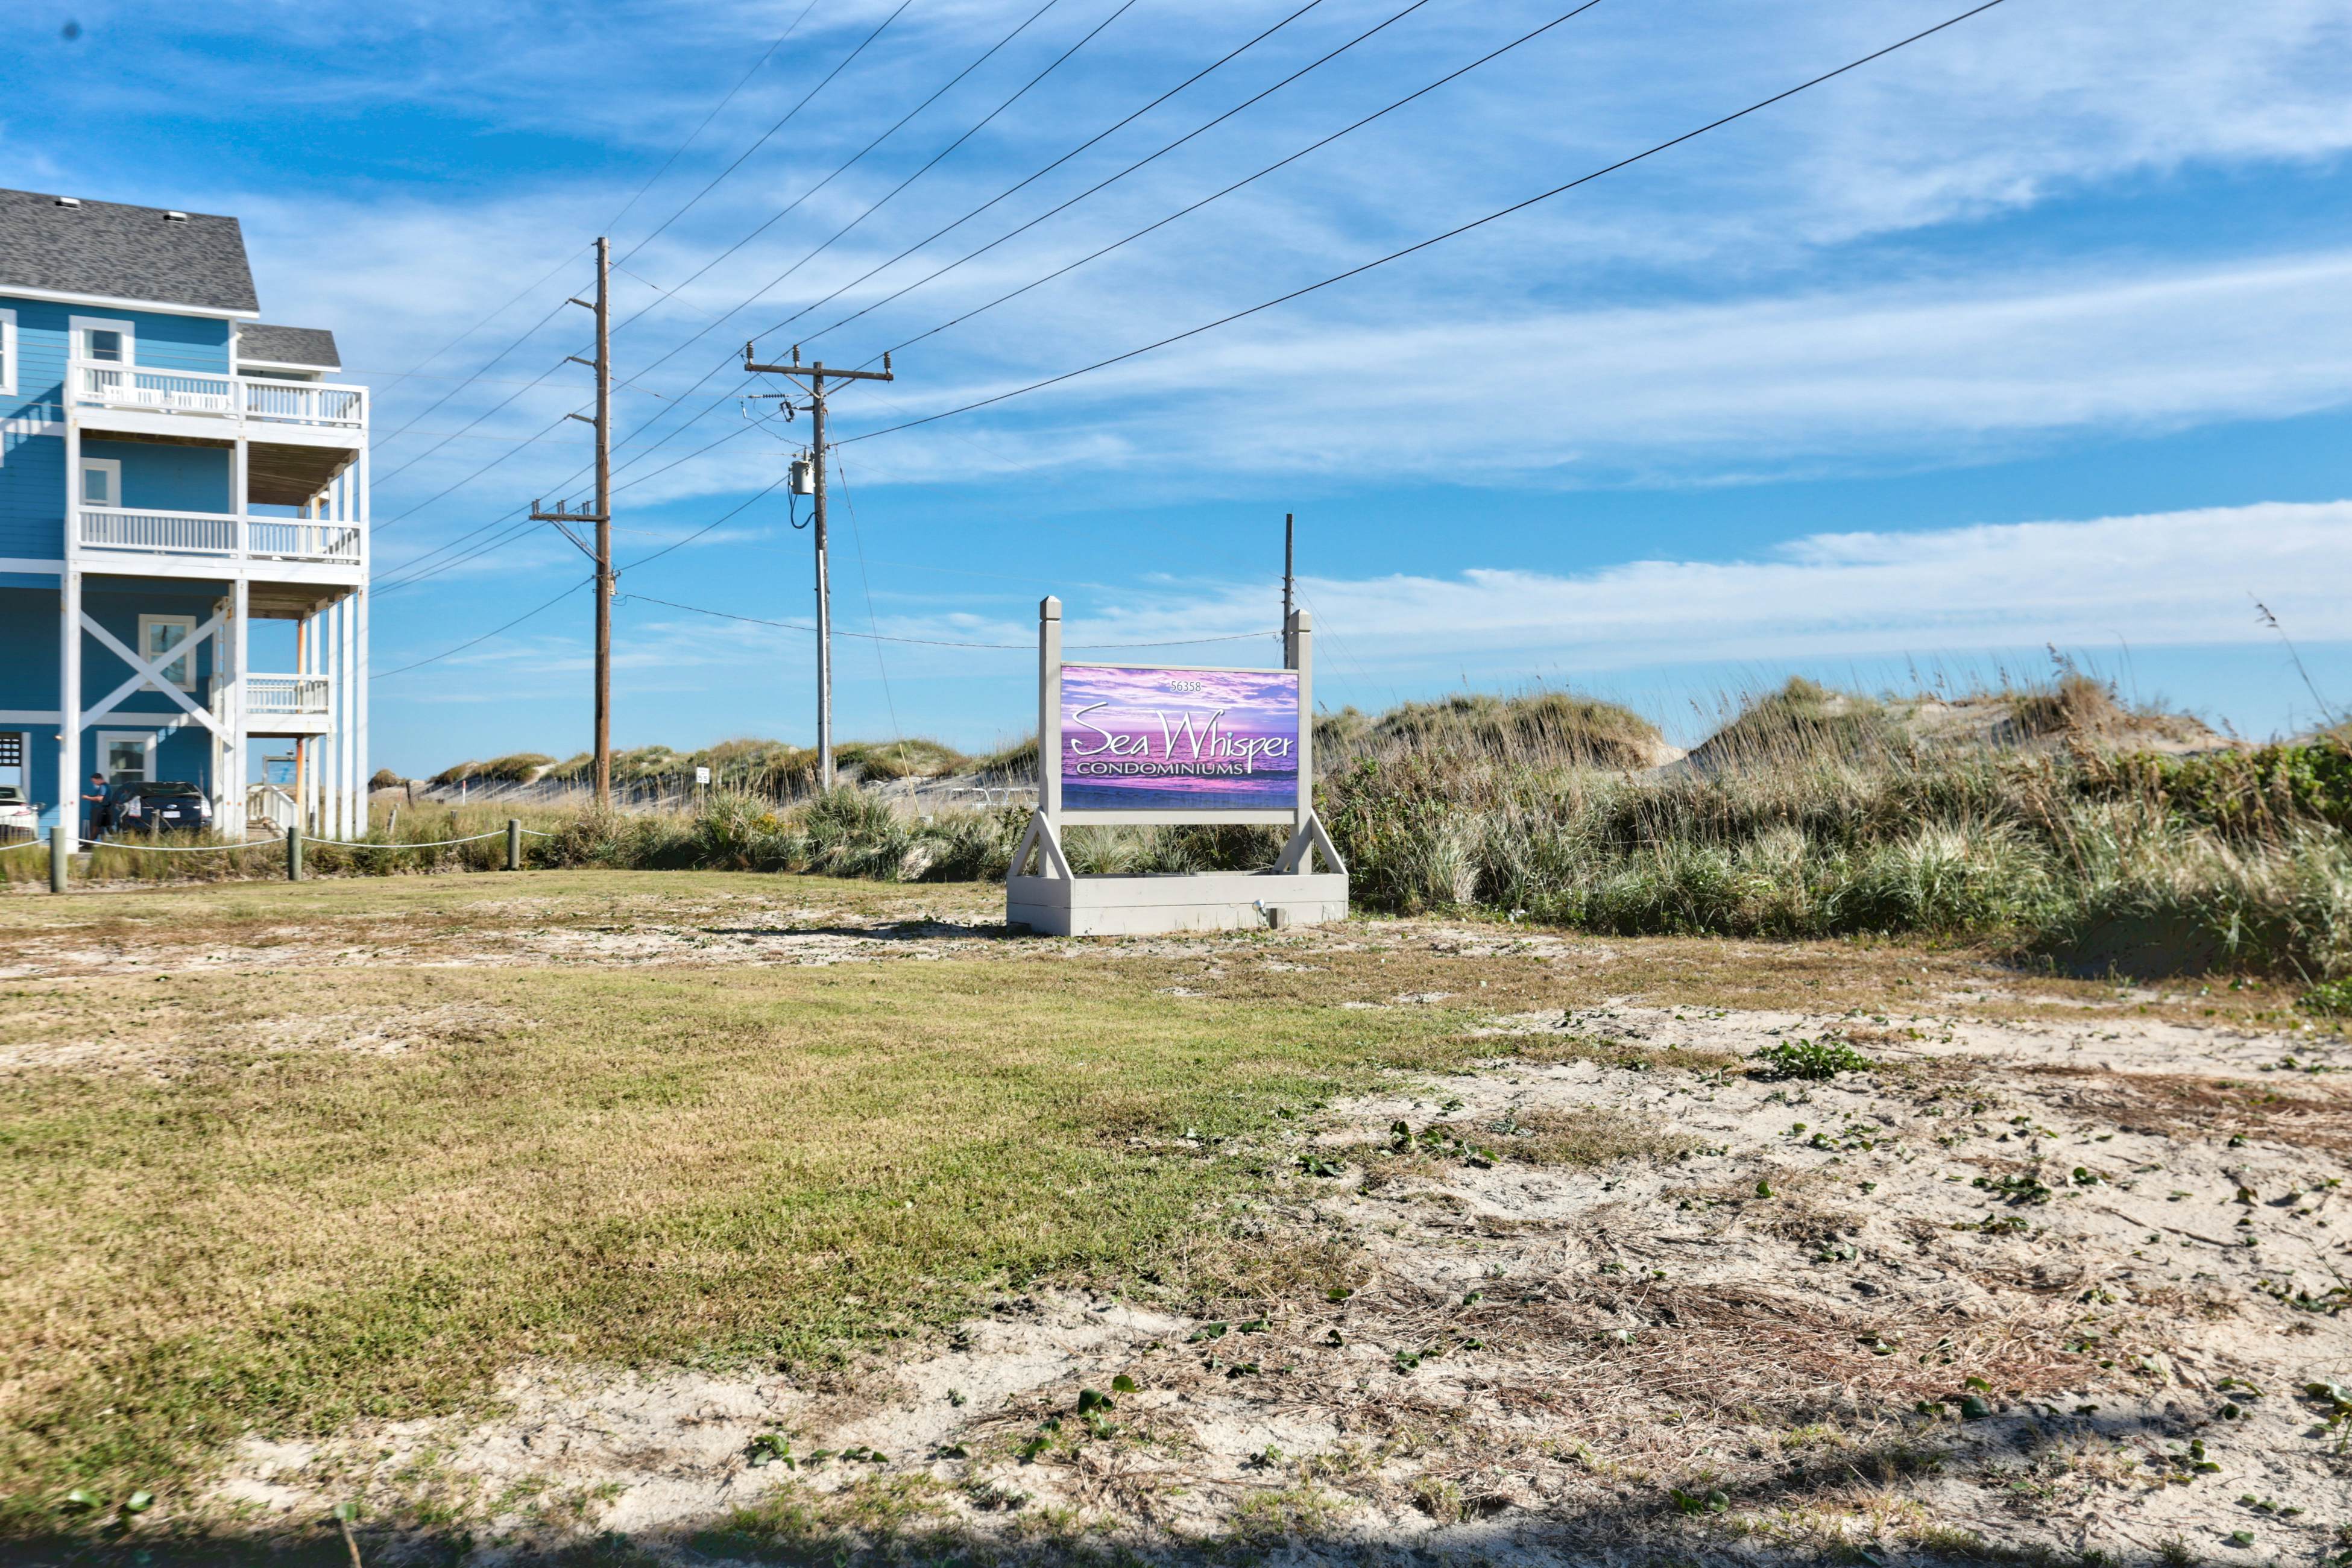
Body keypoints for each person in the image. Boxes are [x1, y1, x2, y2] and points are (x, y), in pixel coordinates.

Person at [81, 772, 110, 840]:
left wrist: (87, 798)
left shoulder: (103, 787)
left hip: (99, 811)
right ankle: (96, 842)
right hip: (101, 810)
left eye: (94, 781)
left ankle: (91, 843)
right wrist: (90, 796)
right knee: (99, 828)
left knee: (95, 827)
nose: (94, 783)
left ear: (99, 779)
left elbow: (100, 798)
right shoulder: (104, 786)